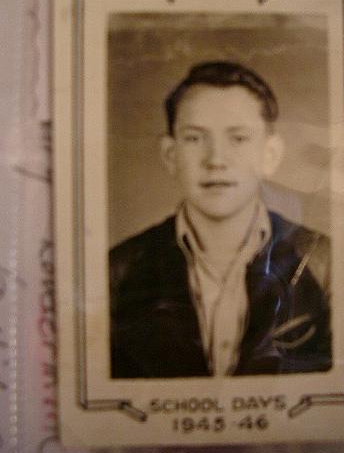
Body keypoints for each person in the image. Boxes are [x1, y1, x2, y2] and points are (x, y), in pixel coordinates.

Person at [109, 61, 332, 378]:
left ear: (270, 154)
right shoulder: (117, 273)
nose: (216, 160)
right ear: (170, 155)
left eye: (238, 138)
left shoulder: (326, 265)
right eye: (194, 138)